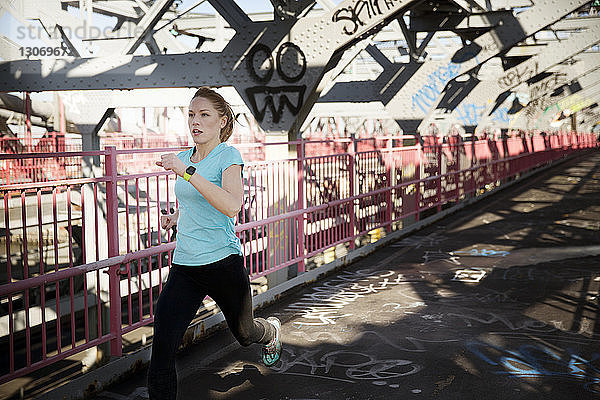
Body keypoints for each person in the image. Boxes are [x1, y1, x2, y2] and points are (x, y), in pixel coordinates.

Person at [149, 87, 282, 400]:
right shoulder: (184, 158)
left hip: (223, 263)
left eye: (204, 115)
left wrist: (186, 171)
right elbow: (198, 200)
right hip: (185, 265)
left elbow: (231, 206)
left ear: (222, 121)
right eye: (191, 115)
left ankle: (270, 332)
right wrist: (179, 217)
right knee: (163, 347)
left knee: (245, 334)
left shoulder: (228, 155)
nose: (195, 121)